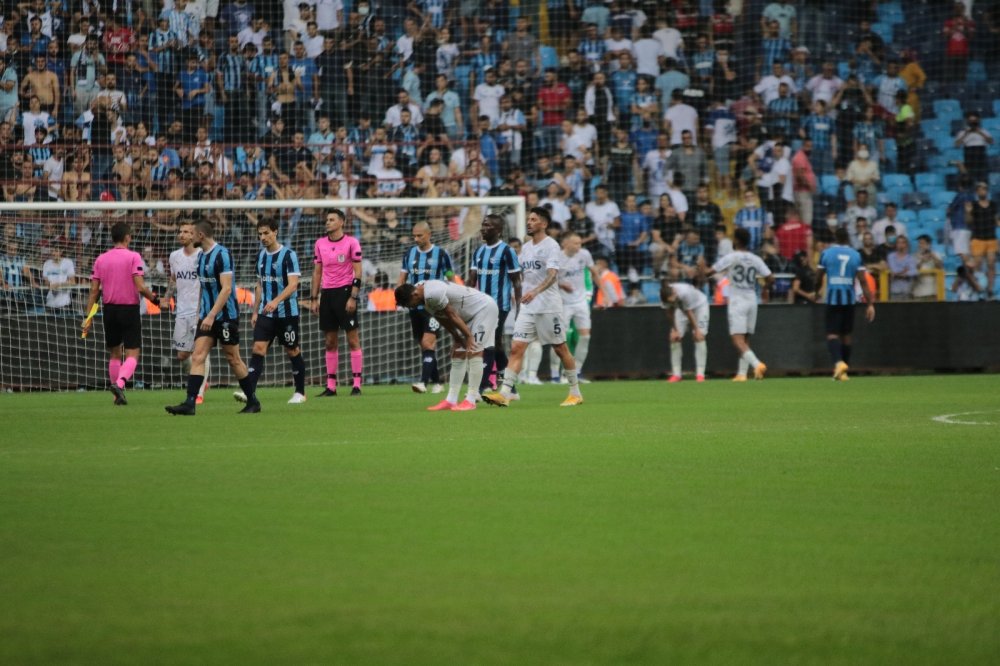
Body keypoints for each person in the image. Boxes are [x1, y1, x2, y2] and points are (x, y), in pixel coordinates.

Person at [483, 207, 583, 407]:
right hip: (528, 307)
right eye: (528, 219)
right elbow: (519, 274)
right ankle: (505, 393)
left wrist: (535, 291)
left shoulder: (551, 246)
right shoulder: (526, 248)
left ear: (543, 224)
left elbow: (552, 274)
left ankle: (575, 392)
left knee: (560, 348)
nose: (528, 222)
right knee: (517, 347)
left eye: (533, 219)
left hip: (548, 307)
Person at [166, 221, 262, 415]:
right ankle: (190, 402)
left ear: (201, 235)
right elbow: (203, 286)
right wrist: (201, 313)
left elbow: (226, 289)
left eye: (191, 234)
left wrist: (211, 315)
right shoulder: (200, 257)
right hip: (206, 316)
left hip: (226, 316)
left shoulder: (223, 254)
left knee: (233, 359)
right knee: (198, 355)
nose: (189, 237)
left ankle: (253, 401)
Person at [81, 222, 161, 405]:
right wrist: (156, 300)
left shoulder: (101, 259)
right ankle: (119, 383)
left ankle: (117, 396)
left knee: (115, 354)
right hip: (129, 309)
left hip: (109, 310)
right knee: (132, 353)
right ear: (127, 238)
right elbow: (140, 286)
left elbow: (94, 291)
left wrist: (88, 317)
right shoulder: (133, 256)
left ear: (112, 238)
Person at [232, 219, 307, 405]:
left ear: (275, 232)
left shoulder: (289, 255)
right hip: (266, 313)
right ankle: (249, 391)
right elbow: (259, 285)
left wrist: (276, 301)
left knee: (292, 349)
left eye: (266, 233)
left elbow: (293, 285)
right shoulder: (261, 256)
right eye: (260, 234)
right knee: (258, 348)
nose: (262, 237)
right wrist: (255, 311)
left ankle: (300, 392)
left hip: (286, 313)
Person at [395, 280, 499, 412]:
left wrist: (468, 336)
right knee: (457, 352)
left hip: (484, 309)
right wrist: (457, 337)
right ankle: (451, 400)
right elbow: (443, 318)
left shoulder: (432, 294)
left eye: (408, 304)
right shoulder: (424, 298)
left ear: (414, 295)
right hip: (467, 316)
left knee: (474, 350)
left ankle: (471, 400)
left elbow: (452, 314)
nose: (411, 307)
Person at [703, 228, 774, 381]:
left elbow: (709, 272)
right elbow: (770, 278)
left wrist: (701, 267)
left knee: (737, 339)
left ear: (736, 240)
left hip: (737, 300)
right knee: (745, 338)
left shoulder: (731, 257)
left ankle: (757, 364)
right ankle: (742, 374)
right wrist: (765, 290)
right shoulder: (755, 259)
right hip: (752, 299)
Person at [310, 209, 364, 397]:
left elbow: (358, 272)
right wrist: (314, 297)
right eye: (327, 220)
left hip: (345, 293)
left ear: (341, 222)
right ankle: (331, 386)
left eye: (332, 219)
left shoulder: (351, 242)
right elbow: (317, 272)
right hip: (327, 295)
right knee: (330, 341)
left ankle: (357, 384)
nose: (328, 222)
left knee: (352, 339)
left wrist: (353, 297)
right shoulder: (320, 244)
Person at [398, 221, 455, 394]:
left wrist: (450, 293)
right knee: (424, 346)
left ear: (429, 234)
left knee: (428, 342)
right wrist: (399, 298)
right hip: (414, 308)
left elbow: (450, 275)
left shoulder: (441, 254)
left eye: (419, 235)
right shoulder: (409, 254)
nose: (416, 239)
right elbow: (402, 278)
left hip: (434, 308)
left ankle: (422, 383)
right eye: (414, 235)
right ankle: (437, 382)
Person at [468, 213, 522, 394]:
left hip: (499, 305)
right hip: (480, 306)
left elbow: (516, 281)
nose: (483, 228)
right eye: (483, 225)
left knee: (487, 341)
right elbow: (471, 280)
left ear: (498, 230)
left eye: (488, 226)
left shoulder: (507, 251)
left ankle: (482, 386)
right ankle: (510, 387)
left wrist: (519, 307)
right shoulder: (478, 251)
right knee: (495, 343)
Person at [815, 227, 876, 381]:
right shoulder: (856, 255)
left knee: (832, 334)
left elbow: (818, 276)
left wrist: (815, 291)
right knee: (847, 335)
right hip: (849, 299)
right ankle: (844, 371)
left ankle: (838, 363)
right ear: (847, 238)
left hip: (833, 298)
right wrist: (870, 304)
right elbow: (863, 281)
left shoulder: (827, 253)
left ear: (835, 237)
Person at [165, 222, 208, 404]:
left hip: (200, 311)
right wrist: (167, 297)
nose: (181, 234)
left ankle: (199, 390)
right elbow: (174, 279)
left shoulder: (203, 256)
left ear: (194, 236)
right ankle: (201, 378)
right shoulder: (174, 256)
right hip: (181, 311)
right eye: (180, 231)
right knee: (182, 355)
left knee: (200, 352)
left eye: (186, 232)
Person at [553, 231, 600, 382]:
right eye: (575, 243)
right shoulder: (556, 257)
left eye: (580, 243)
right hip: (562, 303)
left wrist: (605, 294)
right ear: (565, 243)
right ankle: (556, 374)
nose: (579, 246)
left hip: (580, 302)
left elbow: (594, 273)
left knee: (585, 336)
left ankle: (576, 372)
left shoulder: (584, 254)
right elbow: (547, 280)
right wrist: (561, 284)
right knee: (560, 339)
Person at [661, 281, 709, 383]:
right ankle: (676, 374)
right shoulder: (664, 296)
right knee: (674, 338)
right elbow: (669, 313)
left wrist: (696, 330)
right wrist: (675, 330)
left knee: (699, 337)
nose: (672, 303)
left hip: (699, 307)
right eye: (671, 302)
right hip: (681, 309)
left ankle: (700, 374)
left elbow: (689, 312)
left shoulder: (684, 292)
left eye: (673, 301)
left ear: (674, 292)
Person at [965, 181, 999, 298]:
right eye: (979, 189)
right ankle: (978, 288)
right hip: (978, 238)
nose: (982, 191)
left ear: (987, 190)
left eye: (984, 189)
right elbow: (968, 222)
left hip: (991, 239)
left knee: (991, 264)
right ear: (977, 191)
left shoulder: (993, 205)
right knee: (978, 265)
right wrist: (968, 212)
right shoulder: (973, 205)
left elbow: (996, 220)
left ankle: (990, 289)